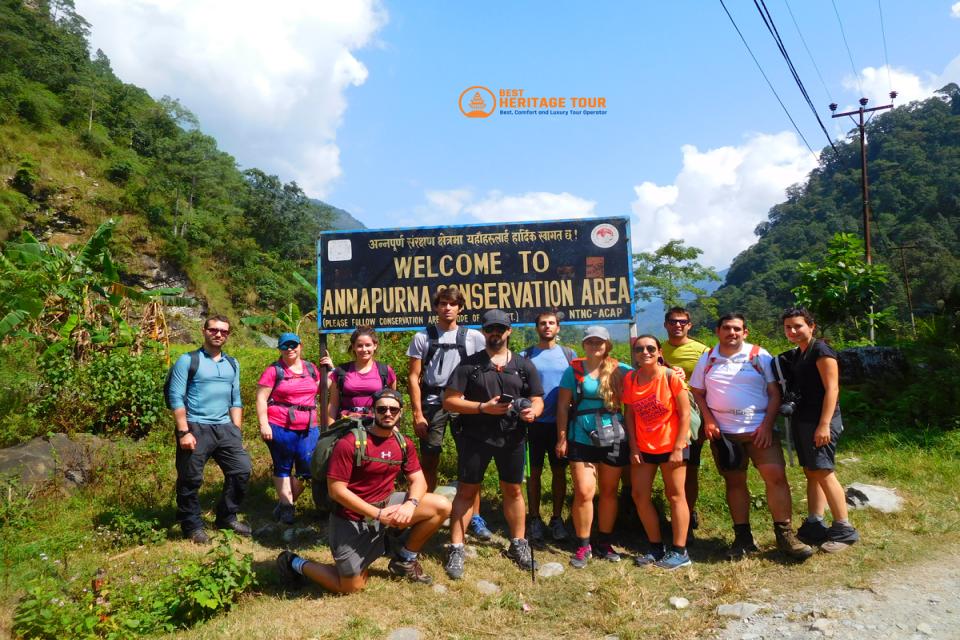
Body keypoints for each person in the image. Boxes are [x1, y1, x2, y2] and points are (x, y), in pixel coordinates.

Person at [276, 389, 451, 592]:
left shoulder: (403, 443)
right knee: (351, 587)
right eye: (382, 409)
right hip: (351, 518)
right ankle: (294, 563)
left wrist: (410, 505)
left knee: (441, 505)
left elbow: (418, 480)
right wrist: (377, 514)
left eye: (393, 409)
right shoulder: (350, 443)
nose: (388, 413)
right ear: (372, 411)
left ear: (401, 412)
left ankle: (405, 559)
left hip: (386, 506)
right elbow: (336, 491)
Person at [689, 313, 813, 561]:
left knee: (776, 478)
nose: (731, 333)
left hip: (758, 428)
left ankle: (785, 535)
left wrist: (767, 425)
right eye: (726, 328)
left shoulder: (759, 354)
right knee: (734, 482)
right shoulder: (708, 358)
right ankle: (742, 538)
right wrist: (710, 420)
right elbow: (697, 391)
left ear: (745, 333)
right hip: (725, 433)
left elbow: (774, 392)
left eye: (737, 329)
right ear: (718, 331)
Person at [442, 309, 544, 579]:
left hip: (512, 436)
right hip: (475, 437)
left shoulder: (523, 366)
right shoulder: (469, 365)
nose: (495, 333)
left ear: (509, 331)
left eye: (500, 328)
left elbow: (537, 397)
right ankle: (456, 547)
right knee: (466, 491)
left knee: (513, 491)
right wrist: (481, 408)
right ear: (484, 331)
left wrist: (533, 411)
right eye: (490, 329)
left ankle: (518, 543)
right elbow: (450, 401)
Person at [406, 286, 489, 538]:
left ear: (460, 308)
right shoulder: (423, 337)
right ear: (436, 307)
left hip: (463, 404)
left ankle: (475, 517)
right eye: (442, 304)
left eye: (452, 304)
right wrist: (418, 414)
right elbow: (413, 376)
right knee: (429, 460)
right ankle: (426, 511)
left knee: (471, 462)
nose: (447, 308)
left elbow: (482, 372)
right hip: (433, 404)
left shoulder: (474, 337)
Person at [779, 307, 860, 552]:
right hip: (805, 420)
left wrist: (824, 424)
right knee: (811, 470)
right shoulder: (800, 353)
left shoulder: (821, 350)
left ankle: (844, 529)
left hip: (821, 421)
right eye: (788, 327)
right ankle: (815, 522)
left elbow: (832, 389)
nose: (792, 331)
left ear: (811, 326)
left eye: (798, 326)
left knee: (823, 470)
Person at [166, 315, 252, 544]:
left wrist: (236, 431)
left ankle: (226, 516)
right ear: (204, 331)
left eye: (223, 331)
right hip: (195, 426)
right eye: (214, 330)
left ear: (228, 335)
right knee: (190, 479)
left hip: (225, 427)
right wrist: (184, 431)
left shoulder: (232, 364)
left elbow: (236, 399)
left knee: (241, 471)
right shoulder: (188, 360)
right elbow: (175, 396)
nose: (218, 334)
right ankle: (192, 525)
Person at [556, 325, 631, 569]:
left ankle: (605, 542)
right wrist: (562, 437)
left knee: (609, 492)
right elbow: (562, 406)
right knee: (584, 491)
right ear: (584, 344)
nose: (594, 345)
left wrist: (675, 374)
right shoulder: (574, 371)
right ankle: (583, 543)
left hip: (613, 436)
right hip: (582, 436)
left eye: (599, 342)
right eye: (590, 341)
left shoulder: (620, 370)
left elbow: (648, 374)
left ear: (607, 345)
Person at [623, 335, 692, 570]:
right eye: (639, 348)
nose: (645, 352)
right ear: (634, 353)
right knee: (639, 495)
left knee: (676, 496)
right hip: (643, 447)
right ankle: (656, 547)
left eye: (650, 348)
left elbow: (684, 414)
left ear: (659, 351)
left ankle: (680, 551)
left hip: (672, 445)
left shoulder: (670, 376)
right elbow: (630, 415)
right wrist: (633, 447)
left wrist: (678, 447)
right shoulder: (631, 379)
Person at [518, 310, 574, 544]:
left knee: (560, 472)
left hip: (561, 425)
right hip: (534, 425)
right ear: (537, 327)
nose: (547, 327)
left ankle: (556, 518)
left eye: (551, 323)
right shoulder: (525, 355)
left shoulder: (569, 354)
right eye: (543, 323)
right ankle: (534, 518)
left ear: (558, 328)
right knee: (534, 474)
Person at [256, 332, 321, 525]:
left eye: (293, 345)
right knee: (283, 465)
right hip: (280, 424)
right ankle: (286, 508)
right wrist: (263, 423)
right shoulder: (274, 370)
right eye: (285, 346)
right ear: (280, 349)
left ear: (300, 346)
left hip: (309, 426)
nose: (290, 349)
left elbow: (323, 387)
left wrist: (331, 369)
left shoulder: (311, 368)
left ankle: (286, 502)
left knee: (308, 468)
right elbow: (261, 398)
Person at [660, 306, 710, 534]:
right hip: (661, 419)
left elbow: (712, 384)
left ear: (689, 325)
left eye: (682, 321)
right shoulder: (657, 350)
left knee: (689, 469)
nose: (677, 325)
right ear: (666, 324)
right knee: (669, 469)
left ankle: (687, 515)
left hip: (691, 418)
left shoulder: (702, 351)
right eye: (672, 321)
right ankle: (678, 514)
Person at [321, 325, 397, 424]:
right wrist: (331, 431)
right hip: (347, 425)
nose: (364, 349)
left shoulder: (385, 371)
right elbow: (333, 405)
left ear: (375, 345)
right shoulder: (341, 371)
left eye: (368, 345)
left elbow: (394, 403)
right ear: (353, 347)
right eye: (359, 345)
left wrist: (394, 428)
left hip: (377, 426)